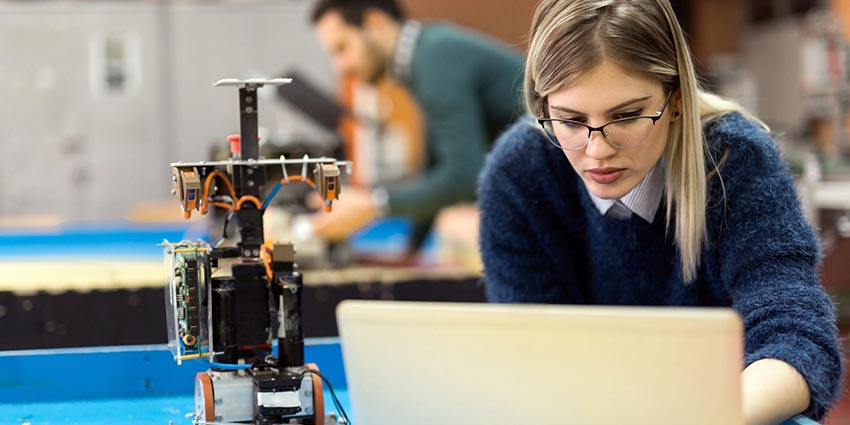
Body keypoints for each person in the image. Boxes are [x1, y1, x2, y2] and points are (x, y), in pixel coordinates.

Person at [478, 1, 843, 424]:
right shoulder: (518, 175)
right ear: (543, 109)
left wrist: (711, 417)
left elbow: (798, 336)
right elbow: (533, 359)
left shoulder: (734, 160)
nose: (597, 152)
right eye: (571, 121)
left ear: (676, 100)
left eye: (628, 116)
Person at [310, 0, 524, 253]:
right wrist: (410, 251)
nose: (340, 67)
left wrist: (374, 204)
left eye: (342, 48)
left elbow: (464, 177)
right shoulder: (425, 53)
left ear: (375, 23)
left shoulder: (435, 58)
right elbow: (436, 164)